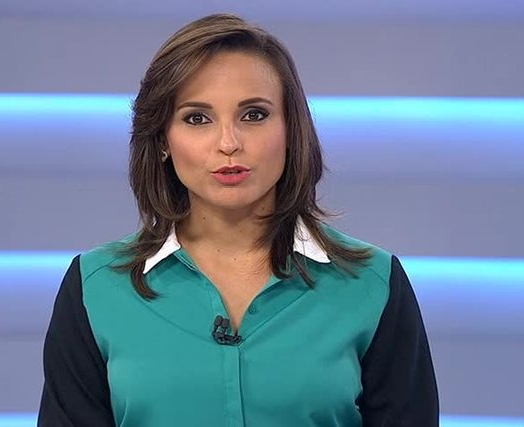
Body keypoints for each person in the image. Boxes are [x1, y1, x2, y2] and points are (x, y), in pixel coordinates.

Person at [38, 13, 438, 427]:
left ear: (291, 129)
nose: (228, 143)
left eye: (254, 115)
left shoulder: (372, 283)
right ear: (162, 141)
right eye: (197, 118)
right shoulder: (95, 289)